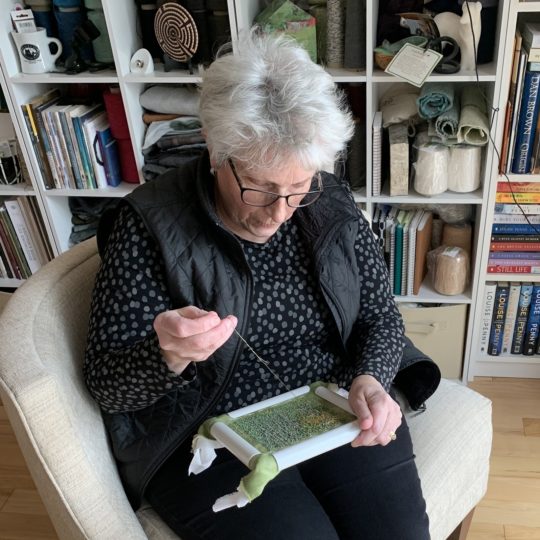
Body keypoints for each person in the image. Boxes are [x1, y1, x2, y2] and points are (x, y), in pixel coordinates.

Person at [84, 32, 438, 540]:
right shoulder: (149, 225)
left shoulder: (331, 201)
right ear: (214, 149)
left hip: (330, 405)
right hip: (208, 431)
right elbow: (106, 384)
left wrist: (371, 379)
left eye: (298, 188)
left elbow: (379, 317)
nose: (279, 213)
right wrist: (168, 355)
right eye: (261, 188)